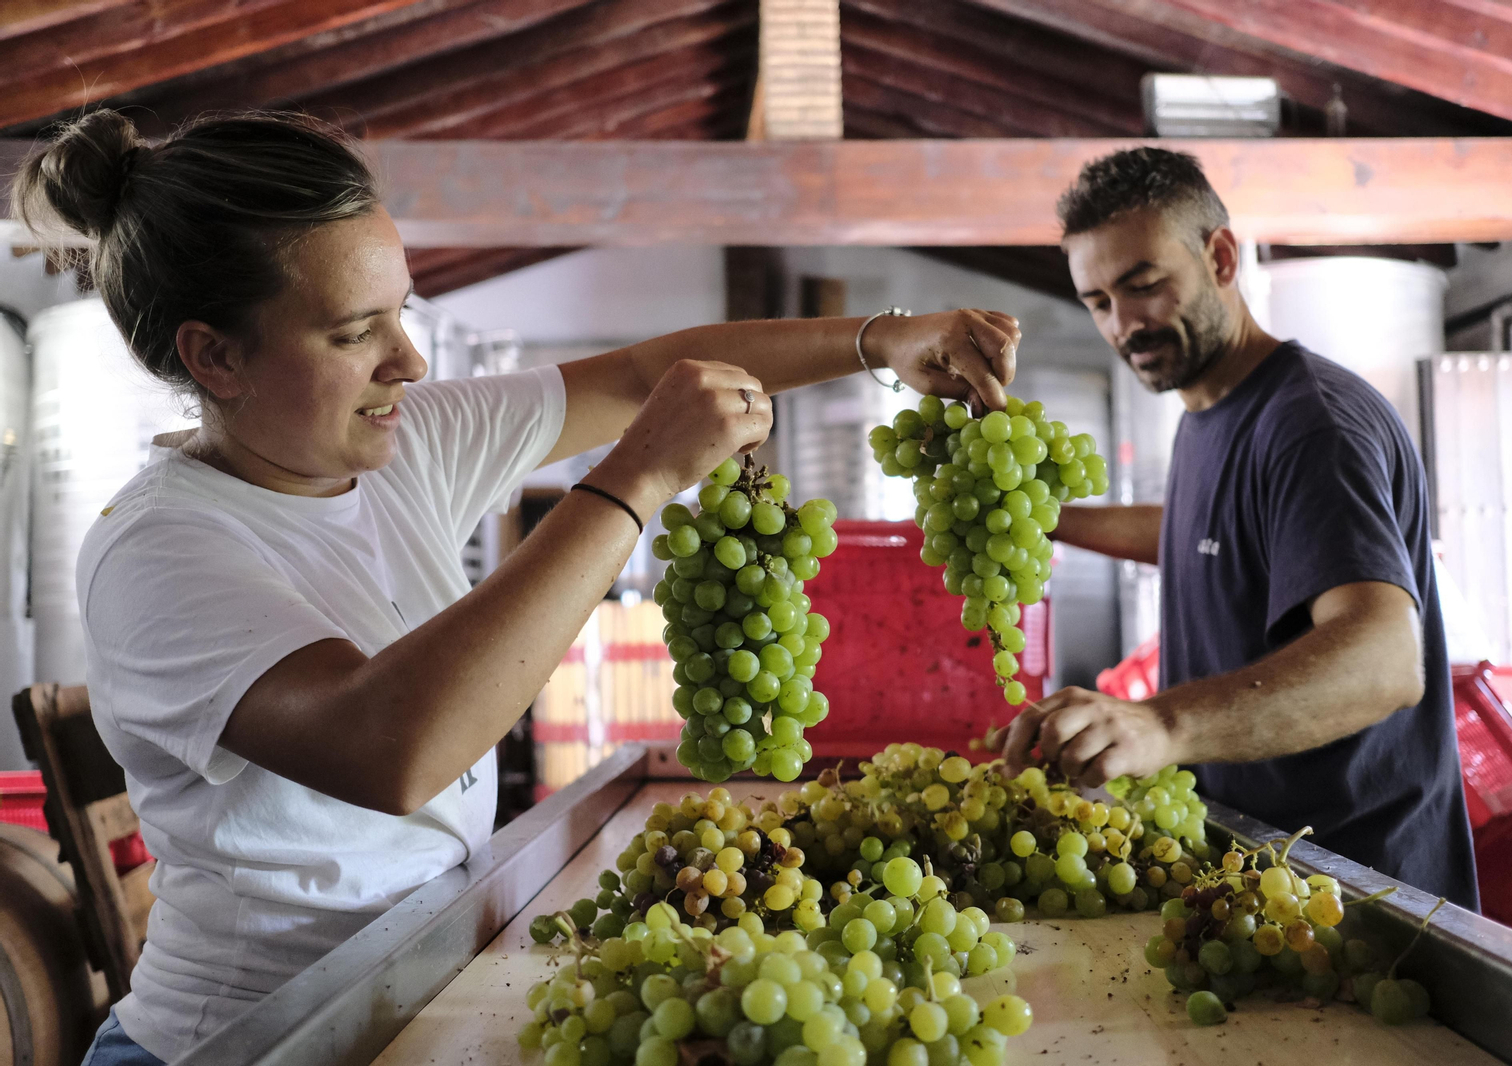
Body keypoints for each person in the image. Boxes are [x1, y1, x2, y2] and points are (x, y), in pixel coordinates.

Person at [13, 109, 1021, 1066]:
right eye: (354, 330)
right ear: (213, 355)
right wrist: (631, 483)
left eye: (400, 313)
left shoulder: (397, 447)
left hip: (409, 990)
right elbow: (390, 746)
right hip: (253, 1040)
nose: (405, 360)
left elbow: (645, 375)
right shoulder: (159, 551)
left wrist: (881, 342)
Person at [996, 147, 1477, 910]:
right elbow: (1209, 535)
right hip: (1267, 875)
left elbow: (1387, 659)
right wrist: (1045, 519)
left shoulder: (1311, 424)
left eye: (1144, 286)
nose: (1124, 325)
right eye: (1098, 301)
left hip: (1363, 898)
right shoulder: (1209, 412)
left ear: (1220, 255)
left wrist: (1161, 725)